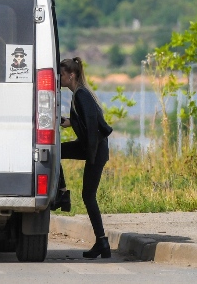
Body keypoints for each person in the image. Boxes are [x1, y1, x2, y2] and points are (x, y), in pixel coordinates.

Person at [54, 57, 113, 259]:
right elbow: (84, 120)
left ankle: (102, 242)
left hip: (94, 149)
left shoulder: (81, 95)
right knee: (56, 152)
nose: (58, 78)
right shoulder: (80, 93)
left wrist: (91, 154)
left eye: (61, 75)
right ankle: (62, 191)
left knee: (88, 196)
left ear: (71, 75)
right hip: (91, 147)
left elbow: (92, 123)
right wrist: (67, 121)